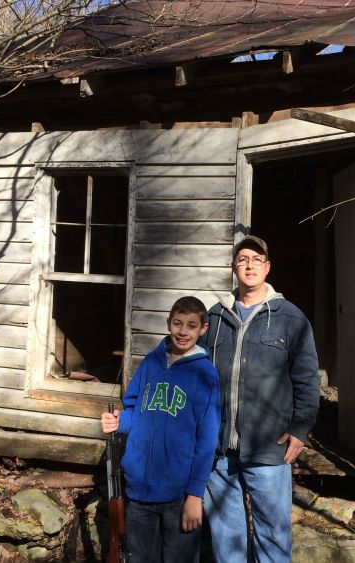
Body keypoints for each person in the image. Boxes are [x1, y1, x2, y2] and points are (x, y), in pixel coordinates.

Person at [203, 235, 320, 563]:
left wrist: (300, 429)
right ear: (234, 268)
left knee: (272, 536)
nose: (249, 265)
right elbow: (194, 371)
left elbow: (308, 380)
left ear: (267, 268)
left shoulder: (290, 318)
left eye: (256, 259)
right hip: (219, 451)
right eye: (242, 259)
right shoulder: (215, 318)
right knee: (227, 541)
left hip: (269, 447)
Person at [101, 296, 221, 563]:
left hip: (179, 495)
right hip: (139, 490)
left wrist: (195, 495)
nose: (183, 331)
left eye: (191, 325)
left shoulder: (205, 374)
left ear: (203, 329)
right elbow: (134, 411)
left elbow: (207, 439)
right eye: (178, 323)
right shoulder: (150, 364)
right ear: (168, 324)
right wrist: (119, 422)